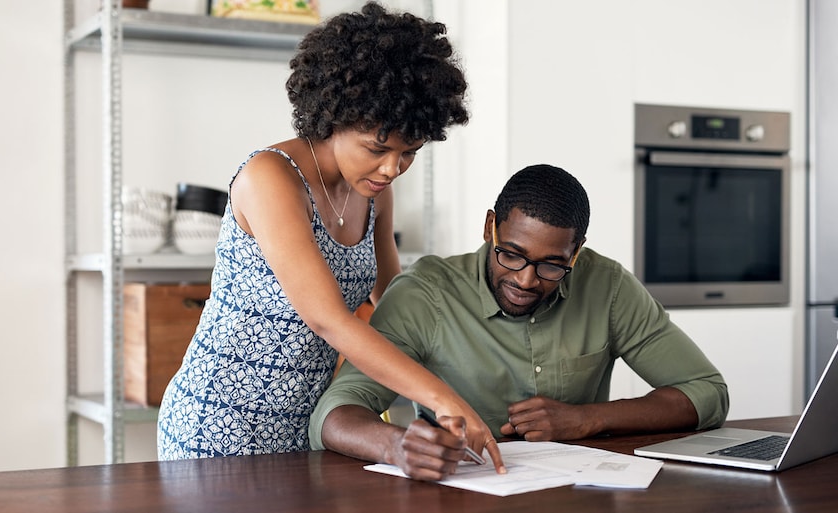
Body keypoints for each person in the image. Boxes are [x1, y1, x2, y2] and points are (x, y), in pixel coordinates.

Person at [157, 1, 502, 466]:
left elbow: (393, 303)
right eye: (378, 148)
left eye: (410, 152)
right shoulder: (271, 178)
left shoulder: (375, 192)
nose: (392, 168)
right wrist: (442, 397)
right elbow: (329, 319)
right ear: (332, 115)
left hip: (309, 422)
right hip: (221, 422)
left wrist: (456, 378)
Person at [309, 164, 729, 481]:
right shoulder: (426, 293)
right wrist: (395, 446)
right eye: (510, 254)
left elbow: (707, 393)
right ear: (491, 226)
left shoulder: (608, 286)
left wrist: (588, 418)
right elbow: (333, 414)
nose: (525, 280)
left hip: (577, 495)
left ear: (576, 252)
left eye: (551, 265)